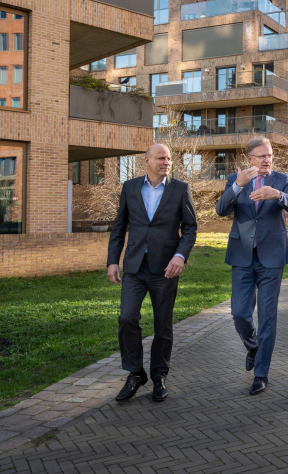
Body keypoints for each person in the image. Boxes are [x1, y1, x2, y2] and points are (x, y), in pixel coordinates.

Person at [107, 144, 197, 403]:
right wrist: (113, 261)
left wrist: (180, 256)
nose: (166, 162)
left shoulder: (180, 189)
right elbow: (119, 227)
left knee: (163, 326)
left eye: (168, 158)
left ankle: (159, 376)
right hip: (135, 267)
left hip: (165, 269)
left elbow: (190, 228)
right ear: (146, 161)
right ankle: (135, 373)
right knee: (127, 318)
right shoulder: (131, 188)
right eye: (161, 158)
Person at [215, 136, 288, 395]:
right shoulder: (235, 179)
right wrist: (236, 187)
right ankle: (253, 346)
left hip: (271, 257)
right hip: (242, 254)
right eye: (262, 156)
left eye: (270, 155)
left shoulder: (281, 180)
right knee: (240, 312)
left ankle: (261, 374)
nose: (267, 160)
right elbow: (221, 210)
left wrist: (277, 195)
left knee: (267, 317)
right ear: (249, 159)